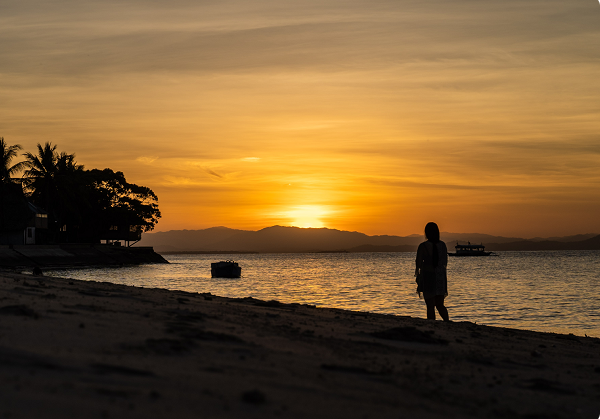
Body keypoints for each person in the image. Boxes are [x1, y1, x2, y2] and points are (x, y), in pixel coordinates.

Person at [415, 222, 449, 321]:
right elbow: (444, 262)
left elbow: (418, 263)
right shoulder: (442, 245)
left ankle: (432, 324)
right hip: (440, 277)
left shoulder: (423, 246)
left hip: (428, 277)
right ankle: (447, 322)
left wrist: (419, 276)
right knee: (440, 305)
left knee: (430, 305)